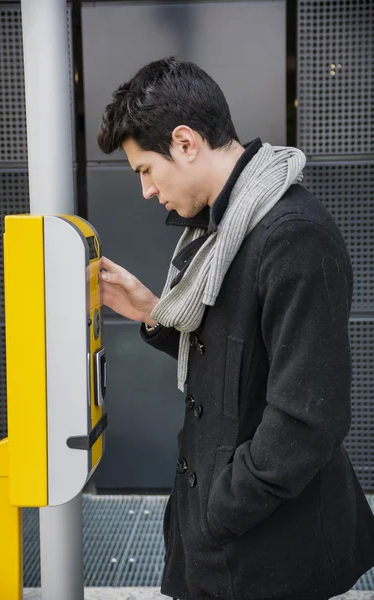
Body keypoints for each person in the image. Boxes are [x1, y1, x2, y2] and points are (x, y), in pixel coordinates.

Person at [97, 57, 374, 600]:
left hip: (270, 556)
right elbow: (235, 361)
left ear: (184, 142)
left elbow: (306, 420)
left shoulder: (293, 236)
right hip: (224, 548)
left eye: (145, 171)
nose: (146, 191)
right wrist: (154, 311)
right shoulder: (224, 230)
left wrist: (220, 511)